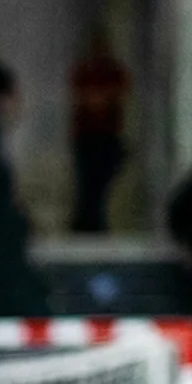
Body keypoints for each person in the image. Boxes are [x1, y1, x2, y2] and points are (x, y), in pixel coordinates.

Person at [69, 28, 129, 233]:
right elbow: (81, 97)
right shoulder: (84, 71)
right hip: (85, 137)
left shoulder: (114, 71)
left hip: (108, 136)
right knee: (86, 182)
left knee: (102, 183)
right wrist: (99, 99)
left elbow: (119, 95)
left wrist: (99, 99)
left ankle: (95, 222)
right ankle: (86, 224)